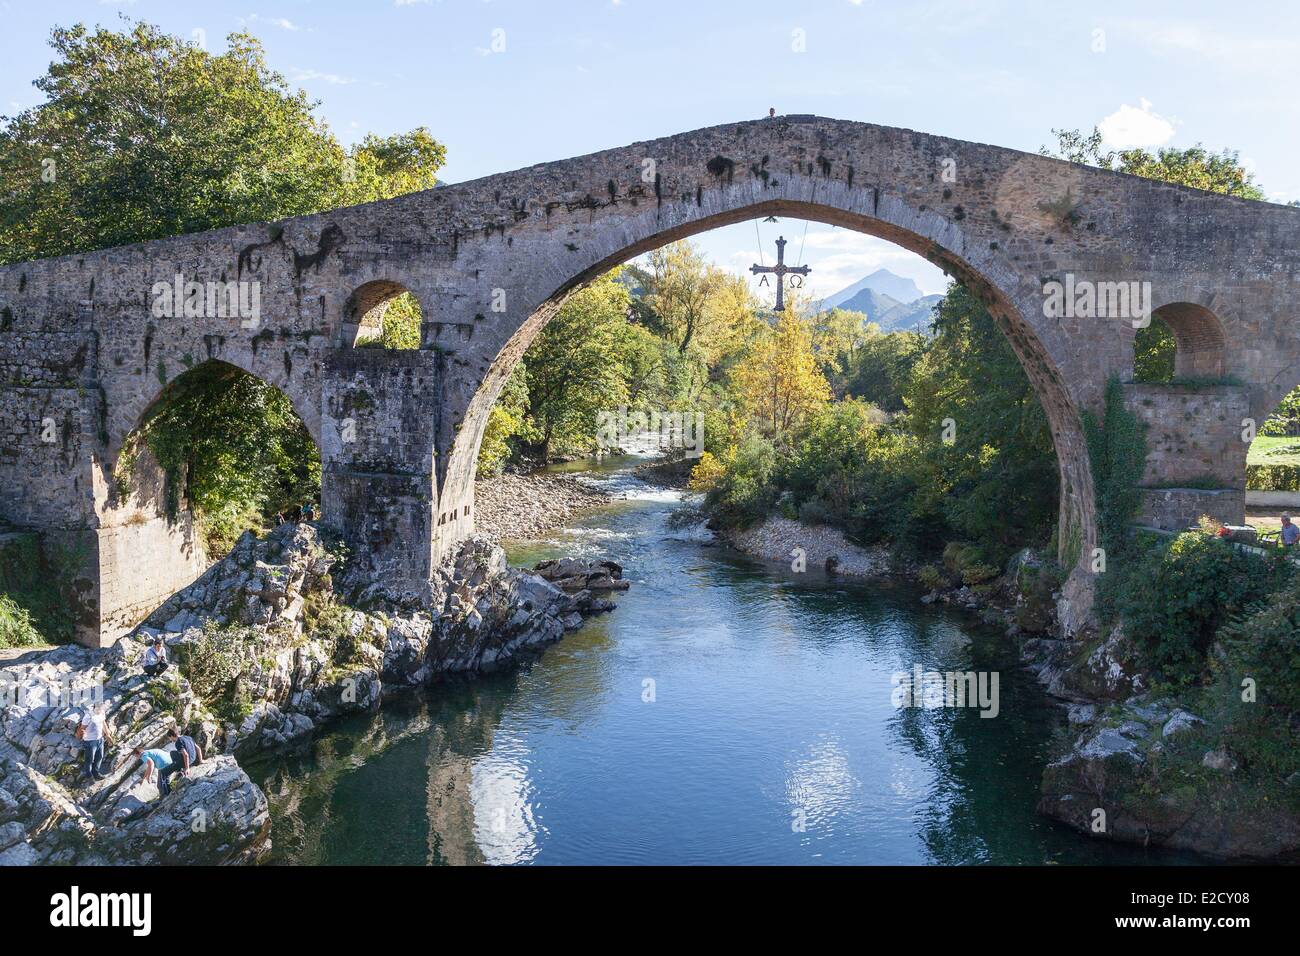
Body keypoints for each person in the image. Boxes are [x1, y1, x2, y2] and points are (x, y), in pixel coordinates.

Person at [75, 703, 113, 781]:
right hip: (90, 741)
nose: (101, 711)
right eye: (99, 709)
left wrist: (108, 734)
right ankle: (88, 775)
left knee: (99, 757)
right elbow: (82, 728)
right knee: (89, 759)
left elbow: (103, 723)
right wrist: (83, 735)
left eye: (102, 709)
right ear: (95, 708)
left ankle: (96, 773)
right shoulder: (88, 716)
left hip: (100, 739)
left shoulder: (102, 713)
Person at [161, 727, 203, 793]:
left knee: (163, 772)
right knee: (173, 753)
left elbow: (185, 755)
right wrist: (201, 761)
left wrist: (187, 768)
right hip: (193, 758)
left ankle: (166, 793)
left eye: (170, 738)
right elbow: (198, 748)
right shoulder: (188, 737)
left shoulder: (178, 742)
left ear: (171, 736)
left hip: (186, 761)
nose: (170, 740)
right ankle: (180, 770)